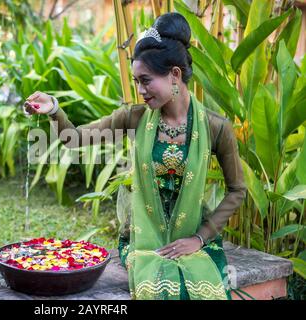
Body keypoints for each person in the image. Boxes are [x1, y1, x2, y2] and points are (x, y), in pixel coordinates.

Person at [23, 12, 247, 300]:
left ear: (175, 75)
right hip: (144, 241)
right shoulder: (134, 117)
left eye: (146, 80)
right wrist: (54, 108)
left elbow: (237, 190)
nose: (139, 90)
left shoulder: (216, 127)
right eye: (136, 81)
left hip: (194, 238)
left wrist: (199, 237)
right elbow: (73, 138)